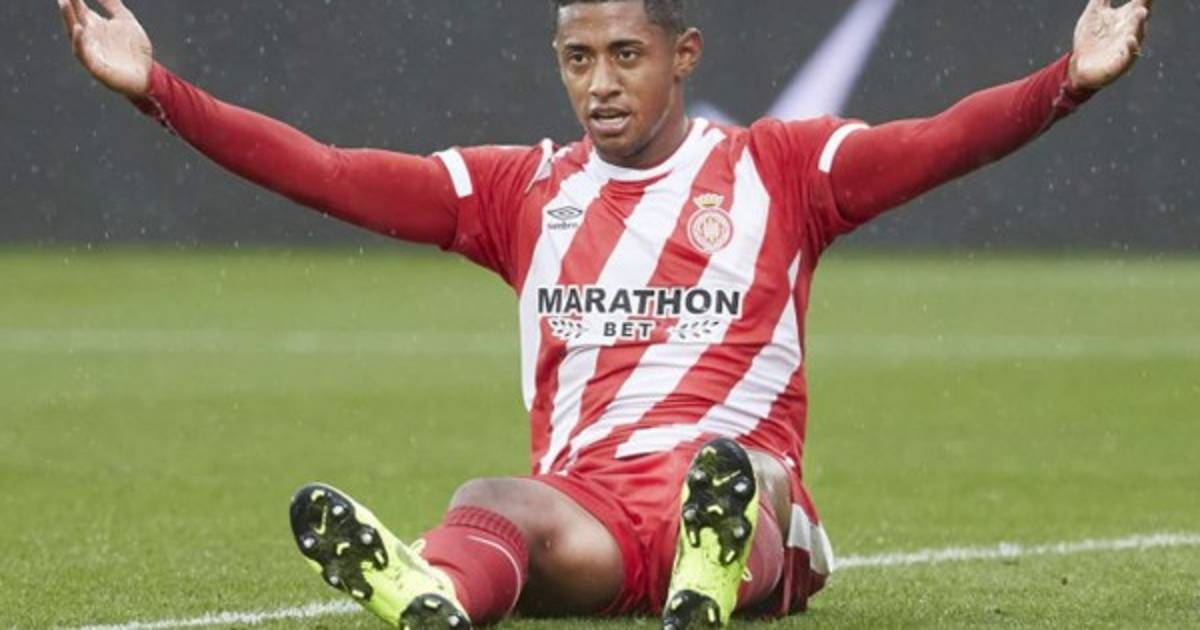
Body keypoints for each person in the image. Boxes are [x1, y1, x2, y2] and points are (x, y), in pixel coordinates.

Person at [58, 0, 1153, 627]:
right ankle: (433, 598)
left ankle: (713, 573)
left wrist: (1068, 79)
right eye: (578, 59)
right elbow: (330, 173)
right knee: (492, 499)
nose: (600, 84)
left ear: (684, 55)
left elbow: (942, 140)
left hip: (734, 487)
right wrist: (160, 90)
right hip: (592, 511)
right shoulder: (517, 191)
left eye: (626, 55)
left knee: (741, 473)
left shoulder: (781, 169)